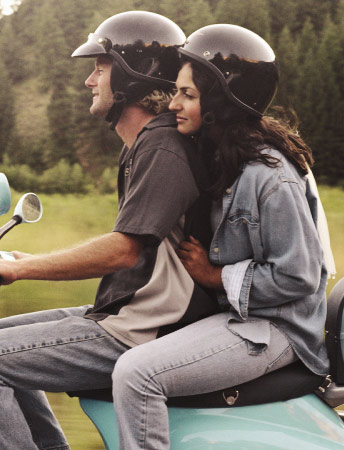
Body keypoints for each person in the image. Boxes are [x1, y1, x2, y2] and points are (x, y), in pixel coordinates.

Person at [0, 11, 218, 450]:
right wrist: (24, 261)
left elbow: (124, 252)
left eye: (99, 69)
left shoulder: (163, 147)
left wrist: (26, 269)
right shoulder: (144, 144)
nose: (89, 82)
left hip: (150, 328)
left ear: (132, 78)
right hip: (129, 314)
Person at [111, 24, 334, 449]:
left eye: (188, 95)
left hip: (277, 330)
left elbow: (300, 276)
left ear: (220, 104)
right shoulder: (226, 158)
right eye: (176, 91)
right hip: (239, 319)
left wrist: (218, 277)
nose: (173, 103)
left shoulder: (269, 177)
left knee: (136, 373)